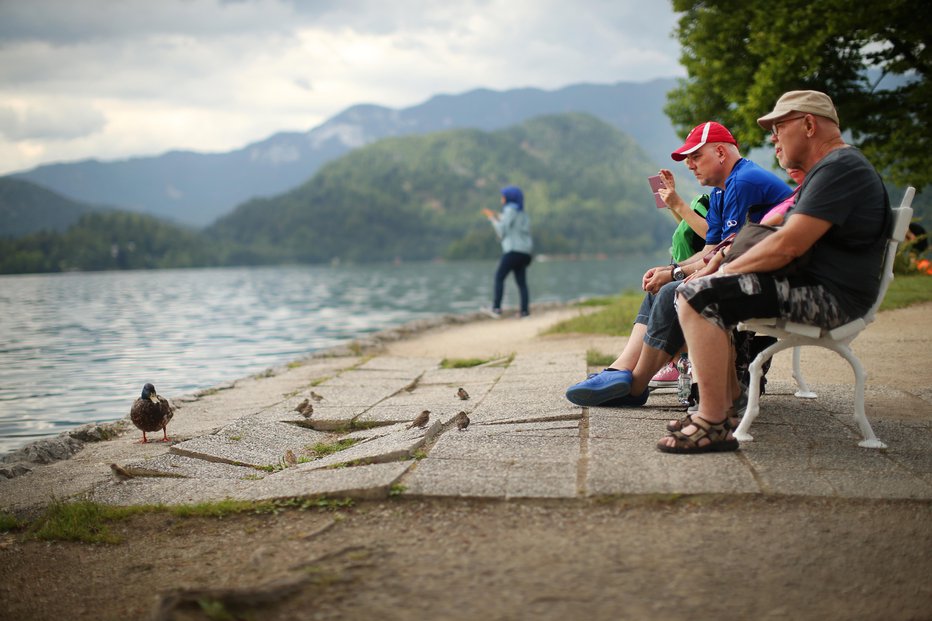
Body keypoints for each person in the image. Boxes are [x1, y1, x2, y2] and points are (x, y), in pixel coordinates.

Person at [659, 90, 890, 454]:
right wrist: (722, 266)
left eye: (779, 127)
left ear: (809, 125)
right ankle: (720, 410)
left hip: (830, 298)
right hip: (812, 286)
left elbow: (788, 245)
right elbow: (780, 231)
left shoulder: (841, 168)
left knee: (699, 294)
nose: (773, 137)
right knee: (698, 292)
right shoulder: (827, 172)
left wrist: (725, 270)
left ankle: (714, 421)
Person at [565, 121, 792, 408]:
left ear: (721, 152)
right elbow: (711, 250)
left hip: (771, 279)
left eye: (696, 157)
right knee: (663, 285)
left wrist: (675, 272)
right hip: (751, 271)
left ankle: (634, 384)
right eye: (688, 159)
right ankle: (621, 369)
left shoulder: (742, 181)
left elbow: (728, 253)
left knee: (673, 290)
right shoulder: (722, 191)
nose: (690, 165)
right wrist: (668, 269)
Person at [483, 185, 533, 318]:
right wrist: (498, 216)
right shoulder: (522, 212)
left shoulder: (509, 210)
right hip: (525, 252)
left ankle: (496, 308)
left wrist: (492, 219)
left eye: (503, 196)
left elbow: (502, 230)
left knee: (499, 277)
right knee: (521, 283)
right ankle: (524, 311)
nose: (501, 199)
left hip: (512, 250)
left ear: (509, 197)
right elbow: (512, 224)